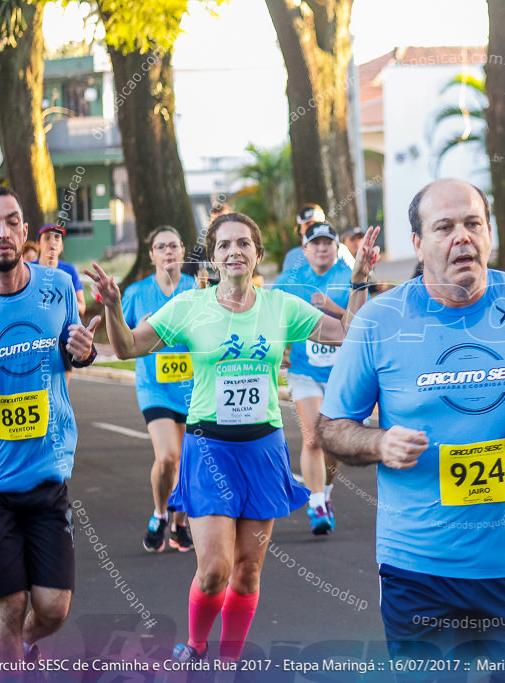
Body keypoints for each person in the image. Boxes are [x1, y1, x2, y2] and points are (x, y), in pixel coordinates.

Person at [318, 178, 505, 662]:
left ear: (489, 235)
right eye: (444, 227)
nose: (462, 237)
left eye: (473, 223)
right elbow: (330, 429)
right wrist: (378, 443)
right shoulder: (380, 321)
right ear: (418, 243)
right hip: (419, 573)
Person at [86, 212, 377, 663]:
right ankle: (198, 643)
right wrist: (110, 305)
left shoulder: (280, 306)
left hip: (263, 451)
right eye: (224, 245)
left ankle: (230, 660)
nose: (234, 251)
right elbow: (127, 348)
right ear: (215, 257)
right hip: (209, 449)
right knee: (215, 570)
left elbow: (346, 334)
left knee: (247, 574)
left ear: (257, 254)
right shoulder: (189, 307)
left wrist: (358, 282)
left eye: (243, 243)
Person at [0, 185, 100, 664]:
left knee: (54, 609)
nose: (2, 232)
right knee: (11, 603)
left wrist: (84, 352)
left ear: (24, 229)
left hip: (46, 471)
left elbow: (70, 349)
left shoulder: (55, 286)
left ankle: (22, 651)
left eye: (11, 221)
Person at [273, 222, 354, 535]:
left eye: (328, 243)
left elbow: (361, 325)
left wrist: (332, 308)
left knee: (335, 444)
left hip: (340, 373)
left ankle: (325, 490)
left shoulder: (349, 278)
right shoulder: (288, 282)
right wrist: (279, 349)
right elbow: (272, 319)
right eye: (315, 243)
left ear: (336, 248)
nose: (322, 248)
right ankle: (317, 503)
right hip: (304, 372)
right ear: (304, 249)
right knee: (312, 437)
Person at [121, 226, 197, 553]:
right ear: (151, 254)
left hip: (195, 390)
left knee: (189, 461)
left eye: (173, 246)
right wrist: (136, 331)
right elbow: (119, 339)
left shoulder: (197, 290)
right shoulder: (136, 294)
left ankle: (180, 524)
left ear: (182, 251)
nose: (168, 251)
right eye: (160, 247)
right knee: (168, 457)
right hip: (155, 389)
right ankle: (160, 513)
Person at [281, 204, 356, 272]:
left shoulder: (341, 250)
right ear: (300, 229)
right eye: (308, 224)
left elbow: (355, 279)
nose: (313, 229)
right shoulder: (292, 256)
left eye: (317, 223)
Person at [35, 224, 86, 316]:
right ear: (38, 245)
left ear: (62, 246)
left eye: (57, 238)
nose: (53, 242)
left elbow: (82, 307)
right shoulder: (29, 269)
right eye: (47, 238)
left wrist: (60, 303)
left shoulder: (69, 271)